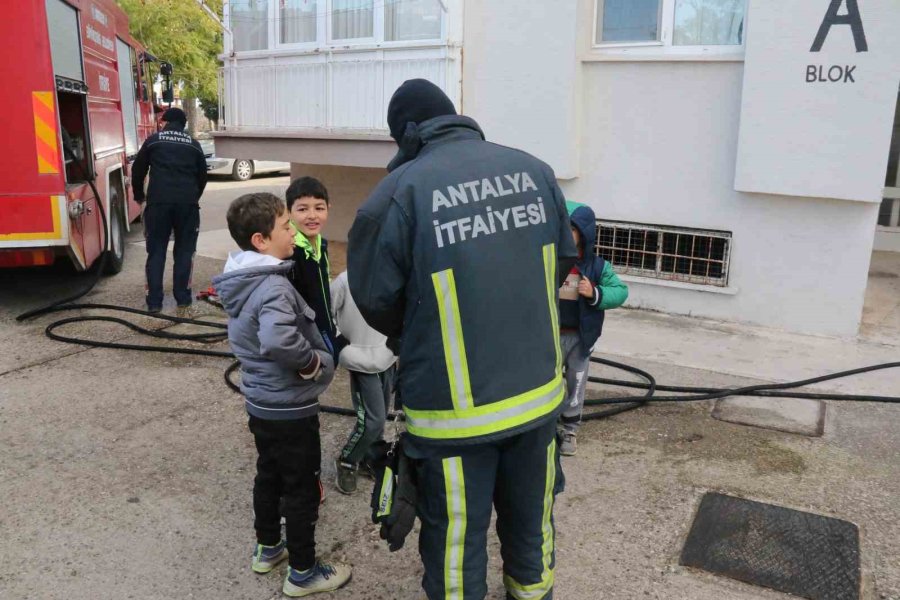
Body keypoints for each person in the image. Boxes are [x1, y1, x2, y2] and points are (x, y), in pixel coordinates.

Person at [348, 79, 578, 600]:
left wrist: (424, 330)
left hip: (455, 415)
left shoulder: (398, 194)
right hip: (537, 400)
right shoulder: (535, 172)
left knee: (456, 545)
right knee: (532, 526)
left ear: (408, 133)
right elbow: (561, 261)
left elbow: (377, 300)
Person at [212, 193, 351, 597]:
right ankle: (304, 572)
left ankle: (269, 547)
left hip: (261, 403)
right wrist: (311, 364)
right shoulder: (272, 285)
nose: (293, 233)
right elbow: (277, 339)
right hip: (290, 407)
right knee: (301, 486)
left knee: (269, 473)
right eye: (286, 226)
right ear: (261, 240)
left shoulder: (242, 279)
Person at [557, 201, 629, 456]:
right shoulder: (549, 260)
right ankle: (545, 427)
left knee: (576, 382)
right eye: (562, 228)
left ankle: (569, 429)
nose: (566, 234)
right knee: (546, 382)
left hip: (580, 338)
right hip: (550, 336)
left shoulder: (598, 267)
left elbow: (620, 291)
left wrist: (595, 292)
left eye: (571, 229)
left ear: (584, 233)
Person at [131, 107, 207, 313]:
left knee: (156, 251)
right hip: (187, 205)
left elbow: (137, 169)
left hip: (158, 204)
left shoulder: (154, 141)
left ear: (166, 122)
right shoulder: (194, 145)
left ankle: (155, 302)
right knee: (185, 251)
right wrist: (193, 197)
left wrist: (139, 196)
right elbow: (202, 177)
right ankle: (183, 298)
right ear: (183, 124)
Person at [330, 270, 398, 494]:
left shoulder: (392, 276)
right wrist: (340, 343)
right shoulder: (344, 281)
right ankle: (348, 460)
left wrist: (397, 339)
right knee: (373, 420)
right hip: (360, 359)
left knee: (381, 413)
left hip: (387, 355)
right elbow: (325, 313)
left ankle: (370, 455)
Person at [285, 177, 337, 357]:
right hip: (303, 340)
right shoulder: (290, 252)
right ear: (288, 212)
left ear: (328, 208)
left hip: (324, 326)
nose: (312, 215)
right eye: (302, 209)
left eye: (319, 208)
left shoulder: (321, 244)